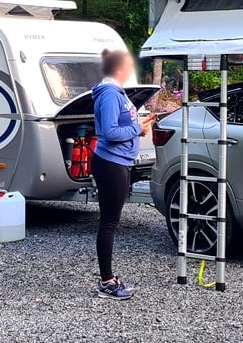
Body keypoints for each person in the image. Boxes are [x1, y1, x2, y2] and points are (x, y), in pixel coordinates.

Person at [90, 48, 154, 300]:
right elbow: (109, 132)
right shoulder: (108, 94)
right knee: (108, 223)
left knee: (110, 222)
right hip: (109, 163)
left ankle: (108, 279)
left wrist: (140, 126)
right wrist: (137, 129)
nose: (131, 71)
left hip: (119, 163)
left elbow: (122, 126)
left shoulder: (117, 93)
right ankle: (107, 282)